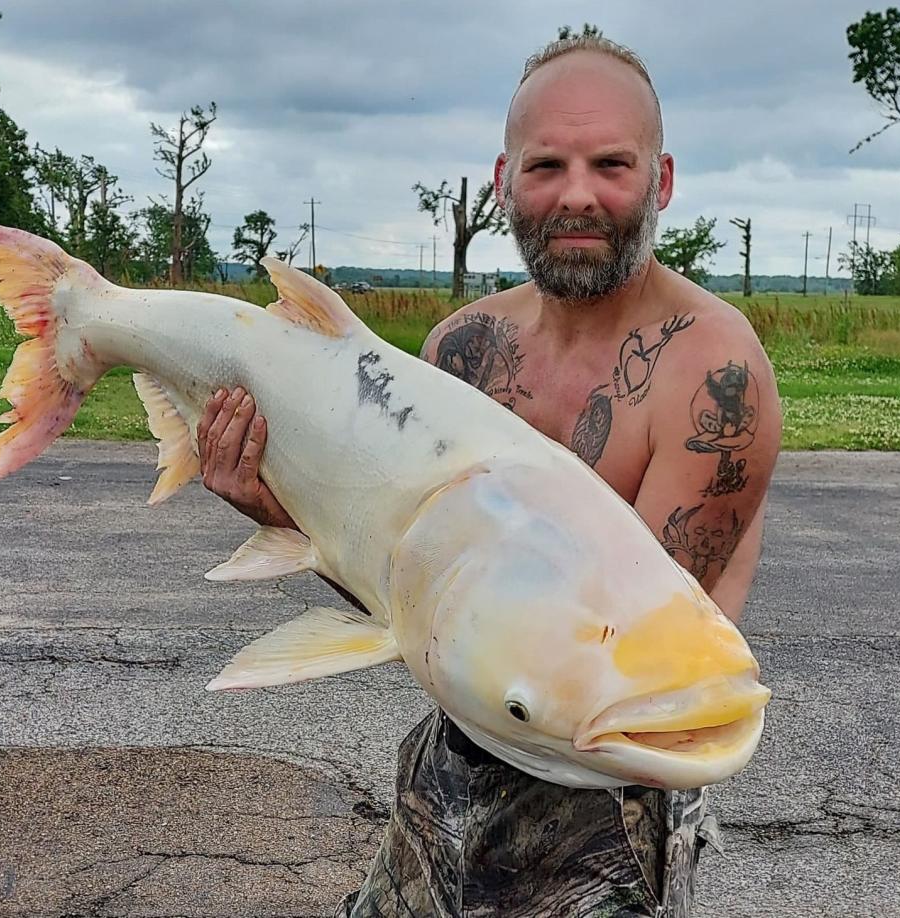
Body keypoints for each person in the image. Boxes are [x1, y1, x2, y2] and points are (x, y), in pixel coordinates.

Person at [197, 33, 781, 917]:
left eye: (611, 164)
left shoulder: (711, 374)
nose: (577, 195)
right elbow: (407, 601)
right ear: (504, 181)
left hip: (603, 812)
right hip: (455, 761)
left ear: (660, 181)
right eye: (546, 165)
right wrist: (287, 515)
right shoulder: (462, 349)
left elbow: (628, 663)